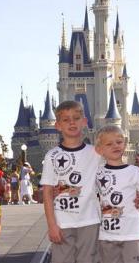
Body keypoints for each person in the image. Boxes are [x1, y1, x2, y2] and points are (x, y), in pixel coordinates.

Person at [40, 100, 102, 263]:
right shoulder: (52, 156)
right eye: (66, 119)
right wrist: (52, 224)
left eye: (76, 118)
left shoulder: (96, 153)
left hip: (90, 220)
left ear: (84, 122)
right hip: (62, 222)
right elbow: (47, 192)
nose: (72, 122)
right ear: (58, 125)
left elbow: (114, 172)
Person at [95, 125, 139, 263]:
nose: (115, 146)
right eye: (109, 144)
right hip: (107, 234)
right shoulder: (96, 173)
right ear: (100, 150)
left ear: (125, 144)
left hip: (132, 233)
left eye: (119, 142)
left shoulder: (135, 171)